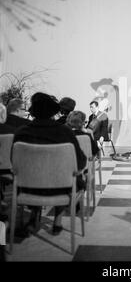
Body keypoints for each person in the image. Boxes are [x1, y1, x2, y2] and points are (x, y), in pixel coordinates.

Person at [13, 92, 87, 236]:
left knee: (37, 174)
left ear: (33, 112)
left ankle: (33, 217)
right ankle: (57, 221)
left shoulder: (21, 133)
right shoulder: (65, 132)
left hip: (28, 189)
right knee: (67, 176)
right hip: (61, 188)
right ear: (53, 111)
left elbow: (14, 163)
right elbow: (80, 162)